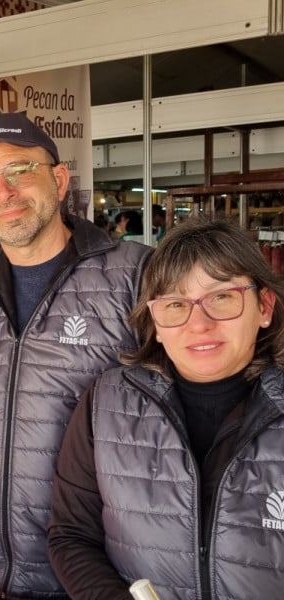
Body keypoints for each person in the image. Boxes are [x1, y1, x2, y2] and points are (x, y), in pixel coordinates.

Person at [0, 111, 151, 599]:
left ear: (59, 179)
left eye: (19, 170)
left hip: (97, 577)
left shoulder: (135, 275)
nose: (4, 192)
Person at [48, 217, 284, 599]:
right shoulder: (105, 404)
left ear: (265, 307)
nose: (199, 323)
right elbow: (72, 535)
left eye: (222, 297)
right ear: (155, 322)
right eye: (175, 304)